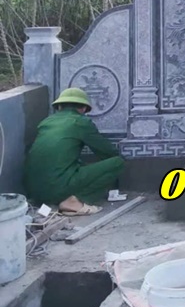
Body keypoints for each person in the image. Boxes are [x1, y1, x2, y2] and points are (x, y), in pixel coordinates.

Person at [23, 87, 125, 215]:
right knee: (117, 162)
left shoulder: (45, 122)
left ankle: (57, 199)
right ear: (83, 109)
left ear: (59, 107)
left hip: (34, 193)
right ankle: (75, 201)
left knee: (77, 164)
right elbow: (108, 152)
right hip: (57, 188)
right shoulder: (81, 122)